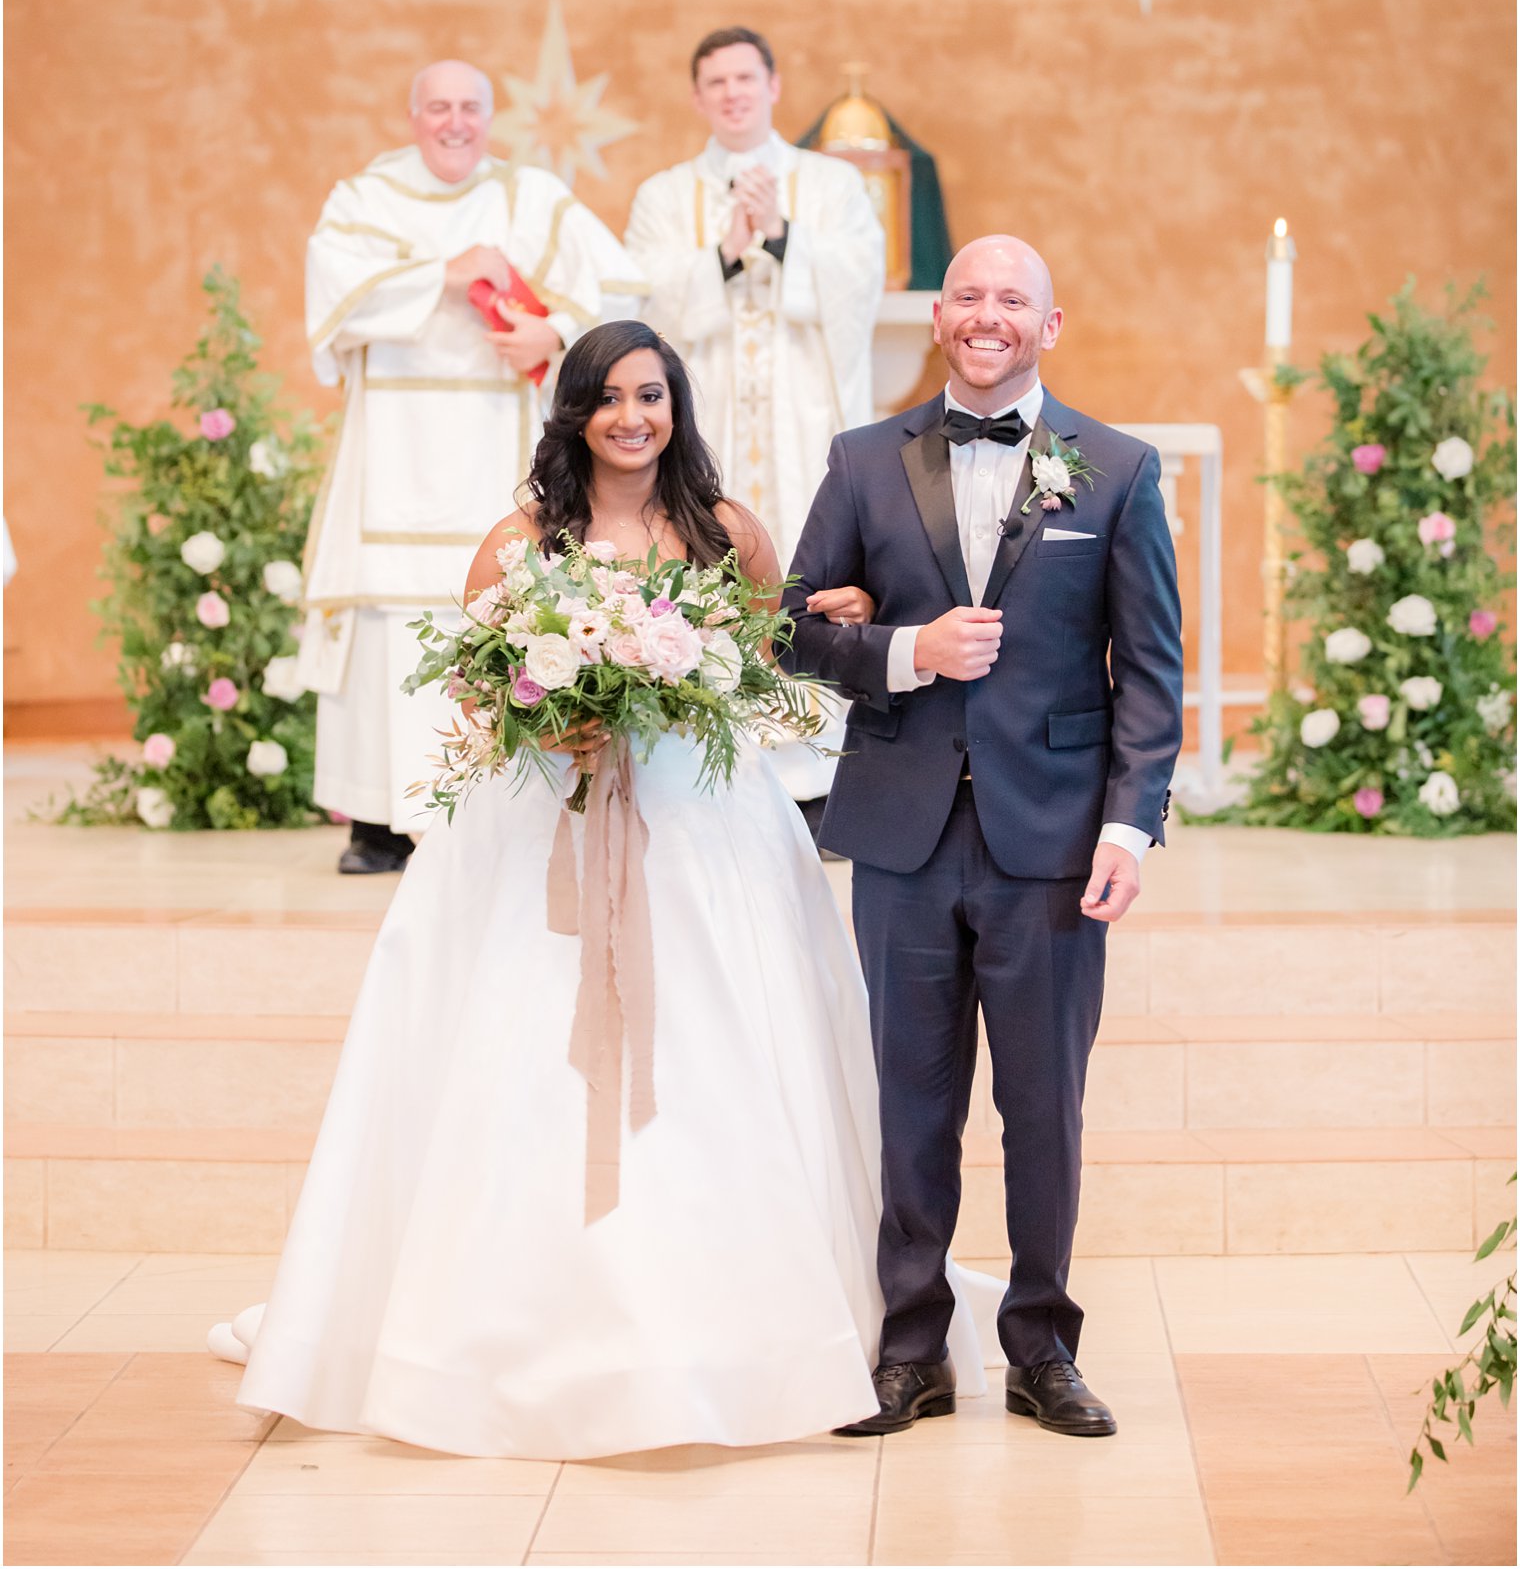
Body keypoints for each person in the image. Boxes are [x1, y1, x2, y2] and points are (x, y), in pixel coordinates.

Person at [226, 322, 998, 1457]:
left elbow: (766, 658)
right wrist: (556, 711)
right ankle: (510, 1329)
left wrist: (818, 627)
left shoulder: (724, 533)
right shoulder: (518, 542)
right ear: (572, 412)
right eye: (607, 397)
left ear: (676, 407)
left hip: (701, 834)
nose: (631, 417)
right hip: (544, 832)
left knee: (718, 1059)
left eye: (651, 395)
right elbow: (482, 703)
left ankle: (747, 1323)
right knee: (518, 1063)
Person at [782, 235, 1183, 1439]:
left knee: (1043, 1105)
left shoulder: (1112, 469)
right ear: (939, 315)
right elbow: (790, 631)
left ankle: (1040, 1346)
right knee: (910, 1100)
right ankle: (909, 1349)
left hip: (1052, 840)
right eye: (968, 295)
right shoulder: (862, 459)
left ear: (1048, 327)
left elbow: (1150, 673)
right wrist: (908, 651)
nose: (987, 315)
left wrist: (1130, 822)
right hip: (902, 833)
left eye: (1013, 299)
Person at [299, 60, 643, 874]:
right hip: (393, 450)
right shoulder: (363, 197)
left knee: (494, 608)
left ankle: (490, 807)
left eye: (470, 109)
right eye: (438, 107)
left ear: (492, 117)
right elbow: (330, 291)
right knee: (387, 621)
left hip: (499, 444)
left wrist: (554, 333)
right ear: (413, 113)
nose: (454, 122)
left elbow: (625, 287)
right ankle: (377, 823)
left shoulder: (532, 197)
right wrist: (443, 274)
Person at [623, 26, 884, 807]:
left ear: (774, 85)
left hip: (805, 422)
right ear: (698, 96)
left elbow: (860, 281)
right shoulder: (664, 194)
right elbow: (639, 299)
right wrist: (726, 256)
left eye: (746, 78)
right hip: (708, 425)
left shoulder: (831, 185)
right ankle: (710, 760)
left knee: (812, 570)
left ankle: (819, 781)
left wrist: (783, 238)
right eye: (717, 82)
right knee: (708, 561)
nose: (733, 92)